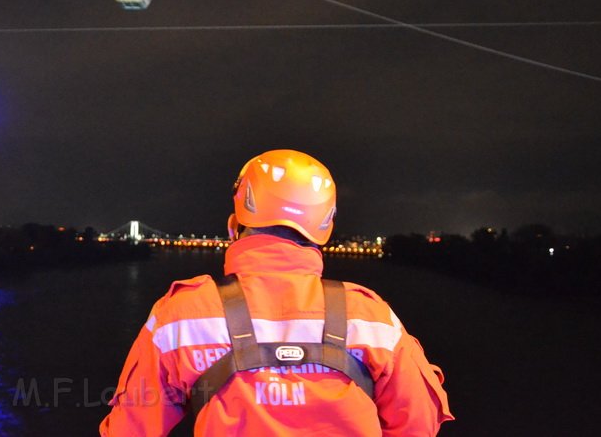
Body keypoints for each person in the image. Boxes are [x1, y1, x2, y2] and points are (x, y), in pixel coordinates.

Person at [99, 149, 453, 436]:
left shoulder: (182, 316)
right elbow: (418, 423)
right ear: (323, 230)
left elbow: (131, 428)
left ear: (234, 224)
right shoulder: (373, 318)